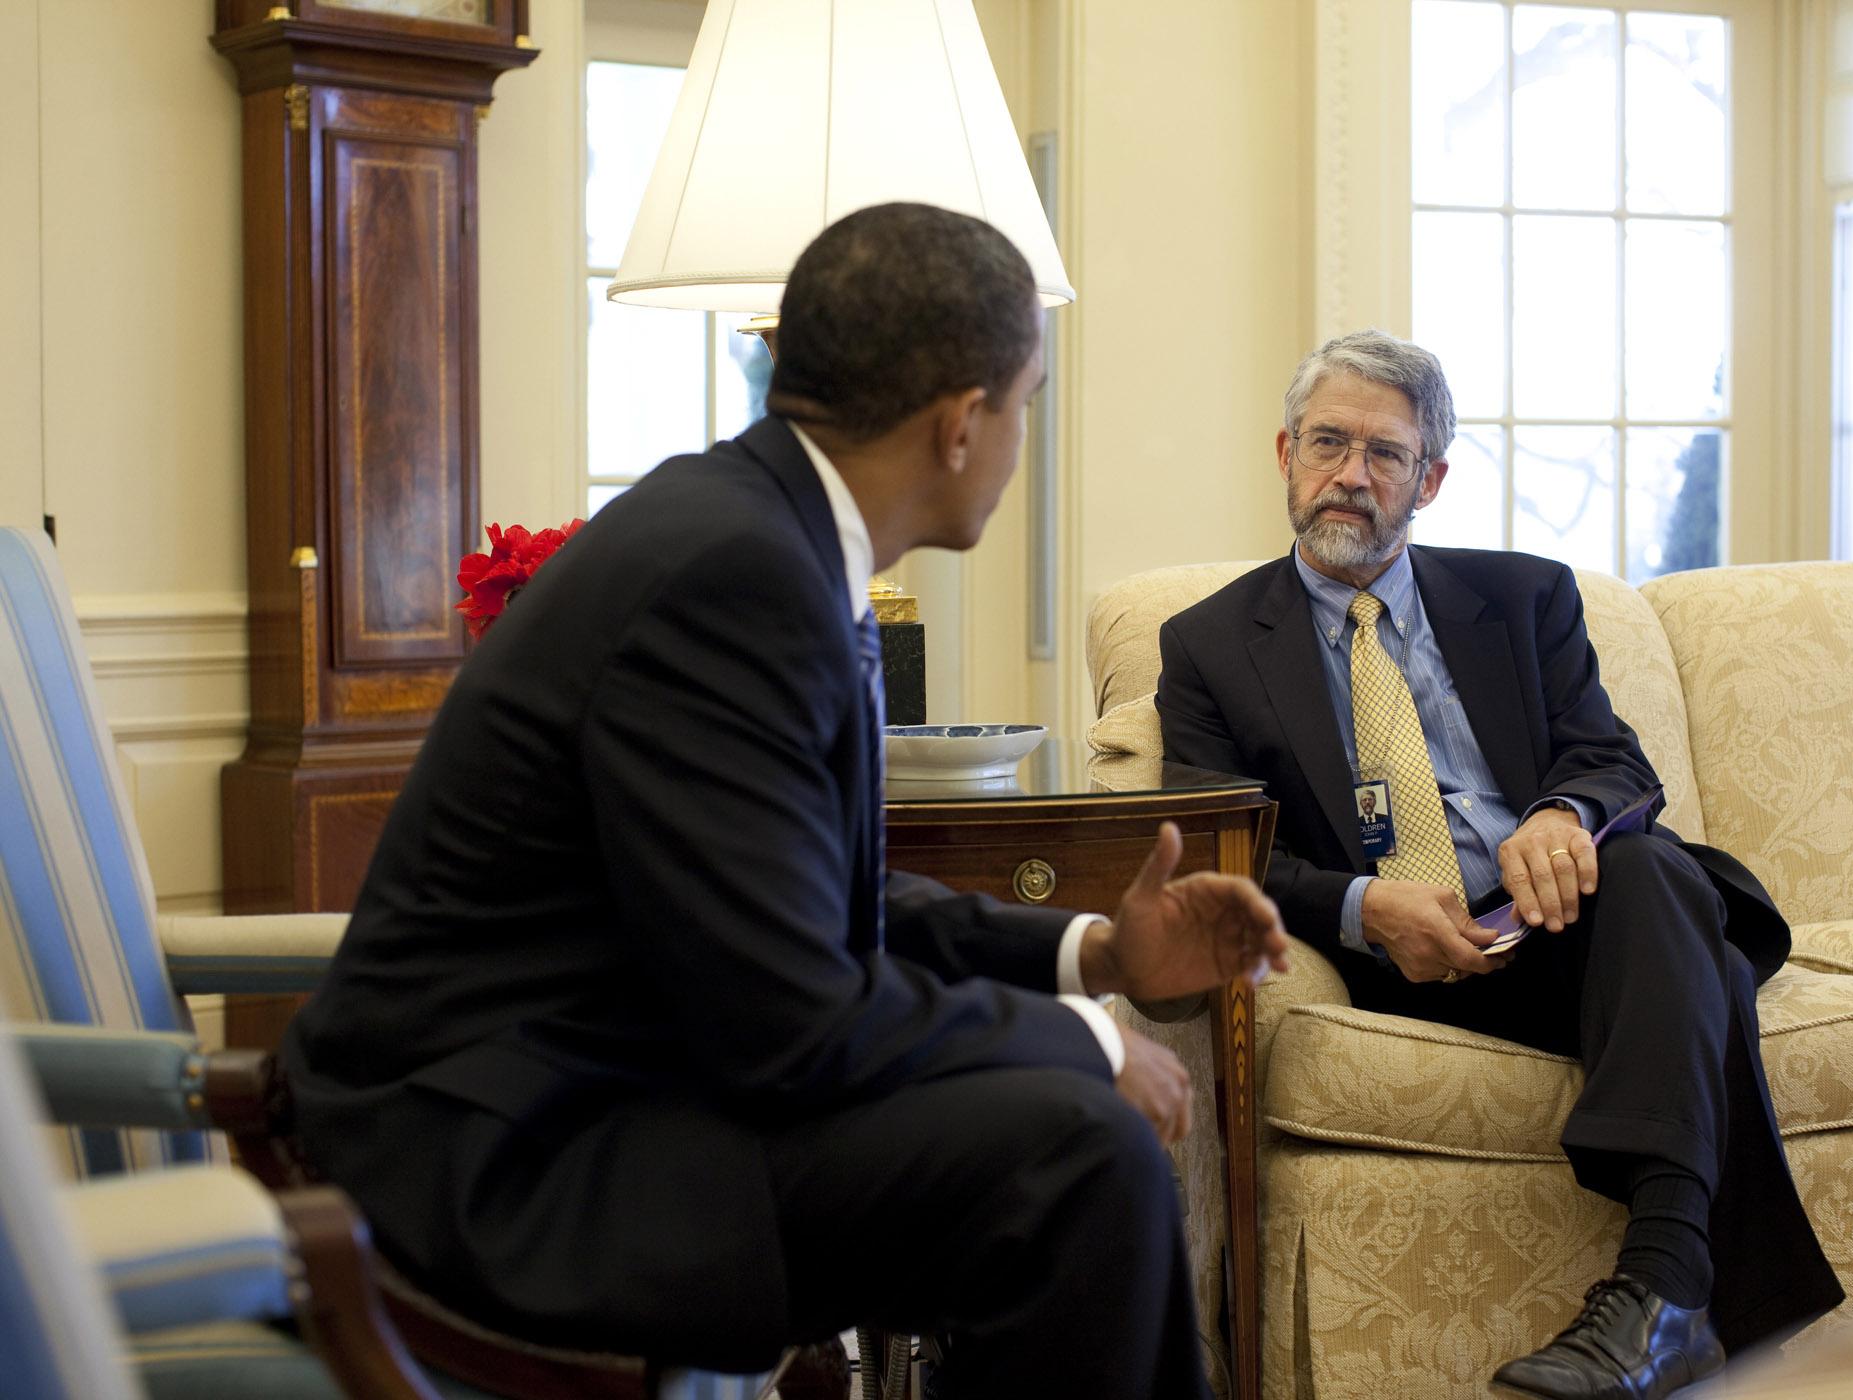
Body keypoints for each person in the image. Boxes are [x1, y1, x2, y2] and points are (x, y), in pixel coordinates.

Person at [284, 203, 1288, 1400]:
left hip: (608, 1084)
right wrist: (1080, 1040)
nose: (1023, 436)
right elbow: (794, 1022)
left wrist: (1096, 955)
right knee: (1077, 1158)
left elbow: (820, 909)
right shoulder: (740, 571)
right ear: (963, 423)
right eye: (1027, 400)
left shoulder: (757, 526)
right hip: (512, 1160)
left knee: (1066, 1139)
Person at [1154, 331, 1842, 1400]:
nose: (1351, 475)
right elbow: (1216, 843)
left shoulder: (1525, 599)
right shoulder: (1206, 643)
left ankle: (1657, 1293)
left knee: (1650, 868)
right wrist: (1365, 904)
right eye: (1329, 442)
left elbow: (1611, 760)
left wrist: (1562, 815)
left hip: (1560, 928)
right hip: (1402, 952)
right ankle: (1689, 1302)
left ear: (1429, 477)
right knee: (1685, 932)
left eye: (1385, 453)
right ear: (1286, 452)